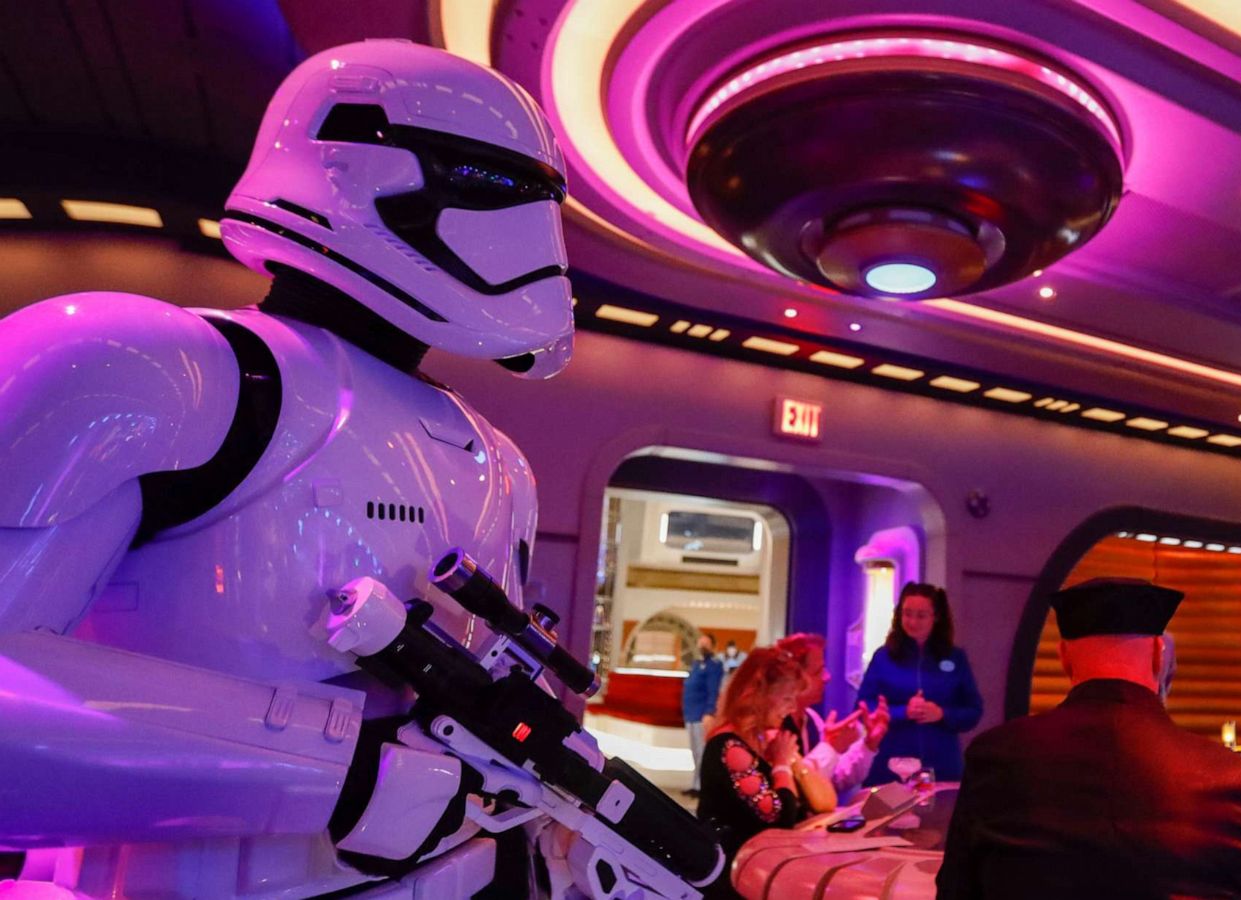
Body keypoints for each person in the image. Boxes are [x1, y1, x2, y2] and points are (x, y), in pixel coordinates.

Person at [0, 40, 721, 898]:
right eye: (492, 184)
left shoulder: (499, 461)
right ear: (359, 162)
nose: (528, 225)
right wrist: (339, 772)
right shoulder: (151, 366)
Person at [936, 578, 1241, 900]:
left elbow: (957, 891)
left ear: (1064, 658)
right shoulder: (1237, 779)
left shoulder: (994, 759)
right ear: (1158, 656)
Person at [697, 647, 807, 895]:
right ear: (759, 693)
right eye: (787, 698)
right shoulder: (730, 747)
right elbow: (781, 820)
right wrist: (781, 764)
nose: (792, 709)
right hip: (732, 882)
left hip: (750, 873)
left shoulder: (752, 742)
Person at [857, 582, 983, 786]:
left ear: (936, 617)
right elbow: (862, 706)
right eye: (907, 614)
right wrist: (903, 712)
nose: (913, 621)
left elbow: (973, 711)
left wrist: (942, 714)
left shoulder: (955, 657)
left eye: (921, 615)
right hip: (891, 765)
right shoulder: (884, 656)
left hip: (941, 765)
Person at [775, 632, 891, 808]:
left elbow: (834, 779)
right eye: (818, 671)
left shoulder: (812, 719)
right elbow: (799, 788)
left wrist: (868, 745)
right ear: (794, 677)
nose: (827, 677)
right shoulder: (775, 725)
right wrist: (831, 747)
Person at [683, 631, 725, 797]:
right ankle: (695, 784)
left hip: (702, 714)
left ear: (713, 647)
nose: (702, 647)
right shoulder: (695, 664)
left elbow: (713, 690)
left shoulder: (714, 666)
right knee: (695, 752)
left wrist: (709, 712)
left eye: (706, 644)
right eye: (701, 644)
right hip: (691, 714)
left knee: (702, 752)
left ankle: (701, 787)